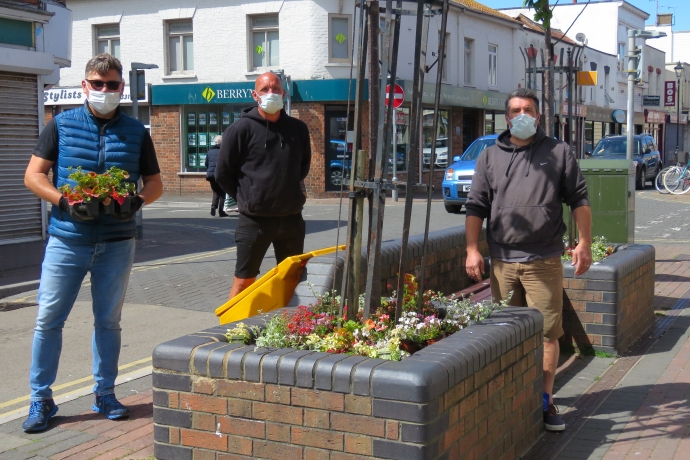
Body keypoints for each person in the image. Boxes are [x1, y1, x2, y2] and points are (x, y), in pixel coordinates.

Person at [22, 54, 163, 432]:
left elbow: (154, 182)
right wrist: (63, 201)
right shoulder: (61, 125)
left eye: (112, 84)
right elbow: (34, 175)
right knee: (49, 320)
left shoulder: (136, 132)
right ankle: (41, 399)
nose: (104, 90)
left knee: (108, 322)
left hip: (117, 242)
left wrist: (136, 201)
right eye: (97, 84)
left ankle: (105, 392)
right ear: (84, 86)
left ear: (121, 88)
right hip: (67, 240)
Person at [464, 88, 592, 432]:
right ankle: (515, 397)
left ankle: (546, 401)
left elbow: (578, 198)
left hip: (543, 260)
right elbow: (476, 205)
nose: (522, 114)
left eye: (528, 109)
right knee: (506, 332)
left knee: (547, 334)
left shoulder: (559, 152)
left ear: (538, 115)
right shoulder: (490, 156)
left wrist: (584, 243)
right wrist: (472, 249)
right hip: (502, 262)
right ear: (506, 117)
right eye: (515, 109)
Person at [215, 72, 311, 300]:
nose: (271, 94)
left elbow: (302, 167)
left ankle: (287, 327)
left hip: (291, 218)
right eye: (265, 89)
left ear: (284, 93)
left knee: (292, 278)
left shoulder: (298, 129)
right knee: (244, 281)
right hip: (254, 220)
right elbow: (222, 173)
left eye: (276, 89)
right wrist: (246, 198)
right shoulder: (240, 130)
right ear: (255, 95)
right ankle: (232, 329)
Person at [205, 135, 228, 217]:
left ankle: (213, 205)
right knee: (222, 193)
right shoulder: (224, 151)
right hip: (221, 175)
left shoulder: (210, 151)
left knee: (215, 191)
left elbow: (206, 164)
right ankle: (221, 212)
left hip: (211, 175)